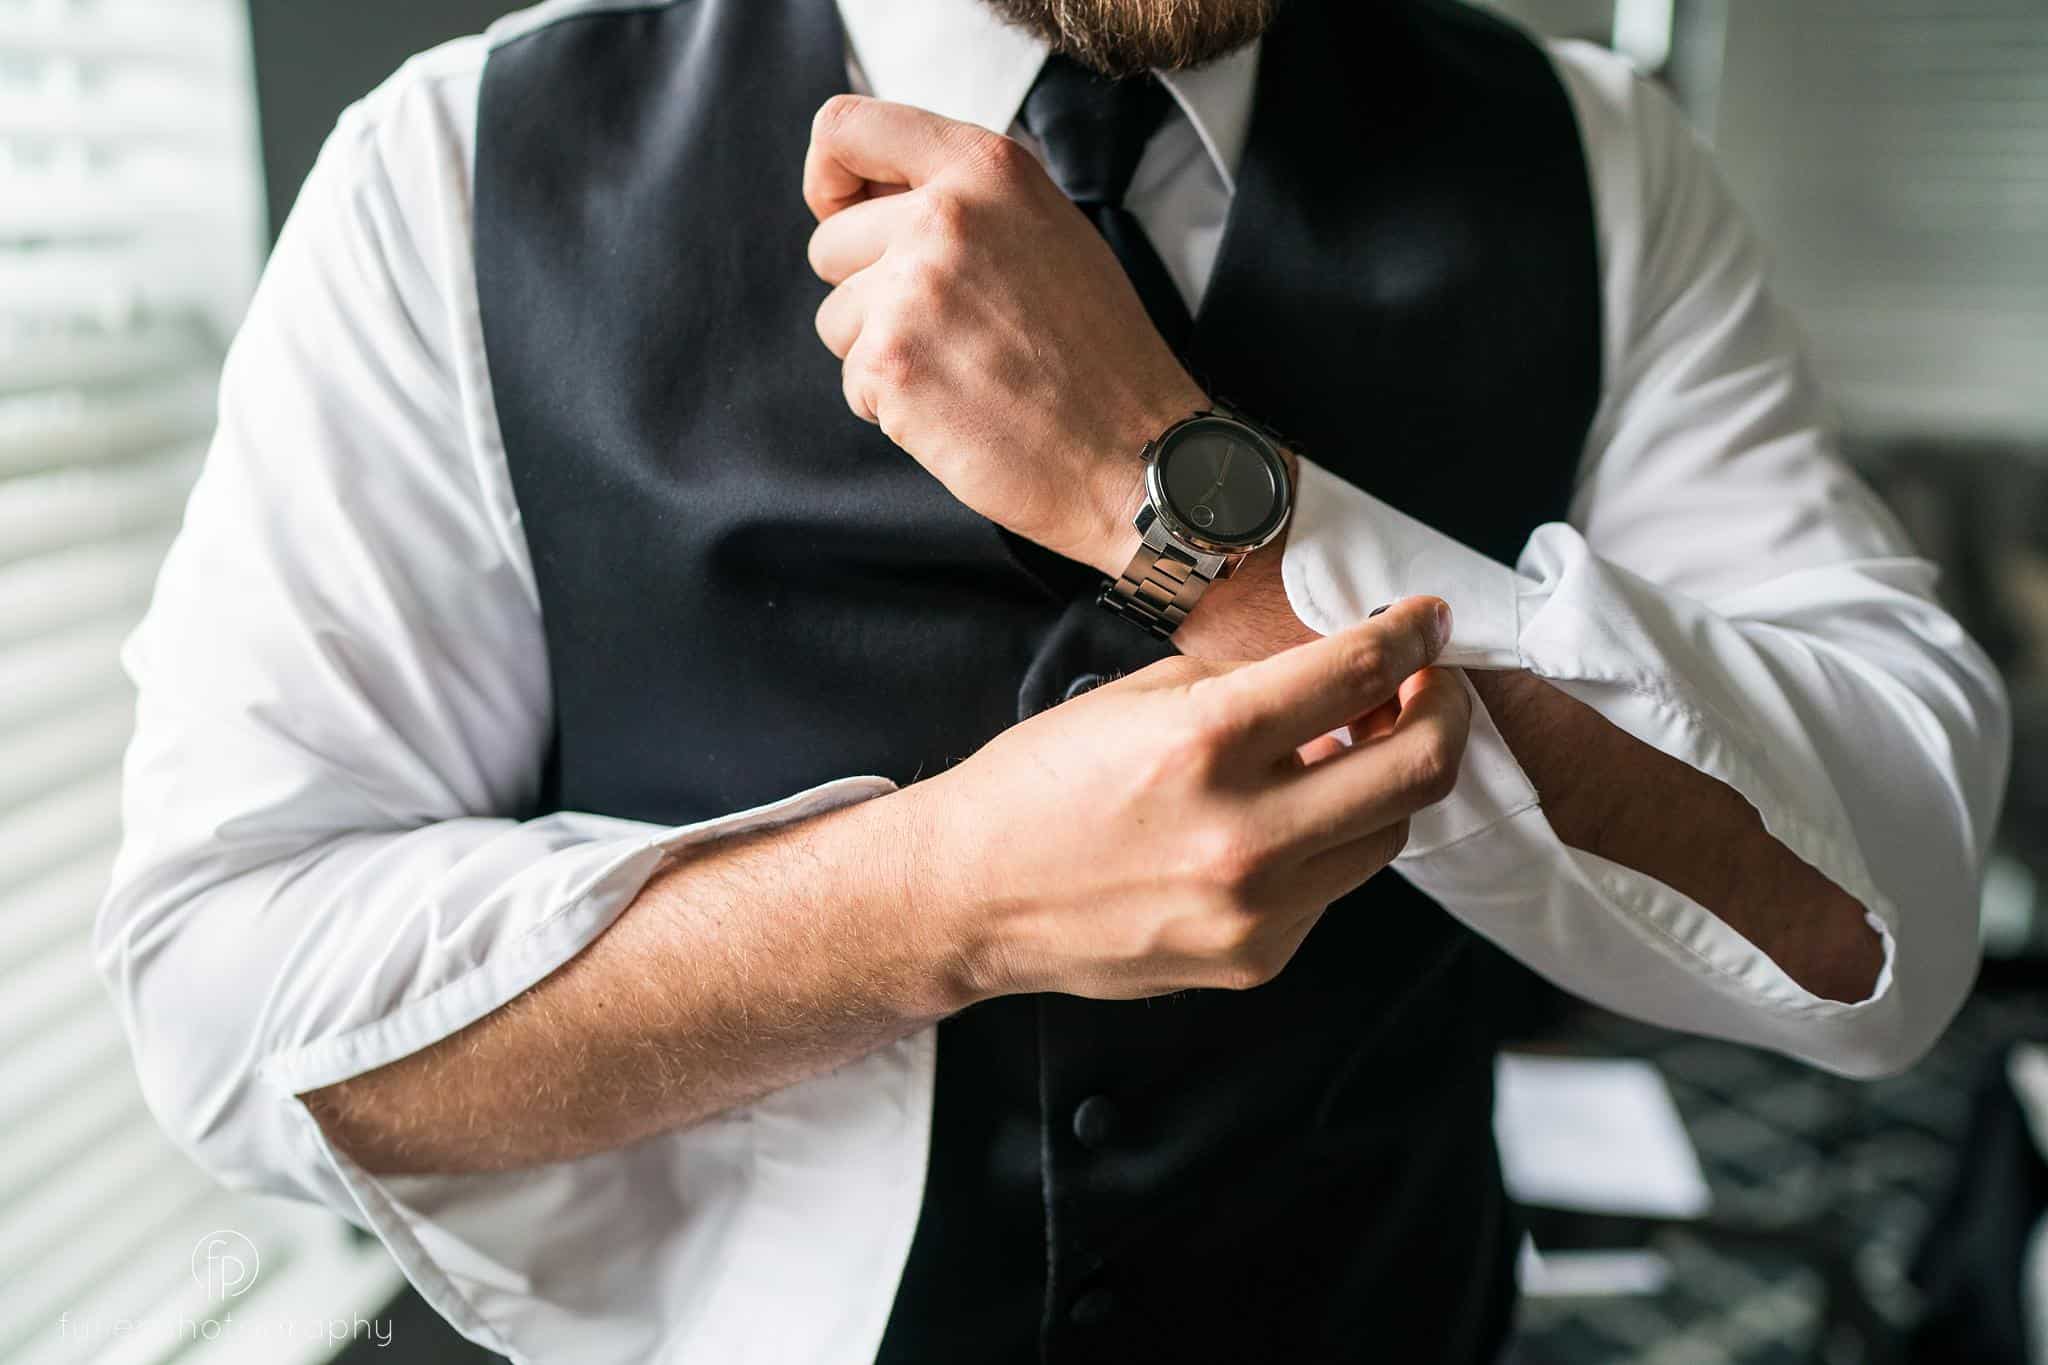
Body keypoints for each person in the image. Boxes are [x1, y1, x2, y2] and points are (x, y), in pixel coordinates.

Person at [96, 0, 2009, 1360]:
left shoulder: (1601, 170)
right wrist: (938, 904)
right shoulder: (455, 167)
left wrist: (1176, 496)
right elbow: (224, 1005)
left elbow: (1885, 935)